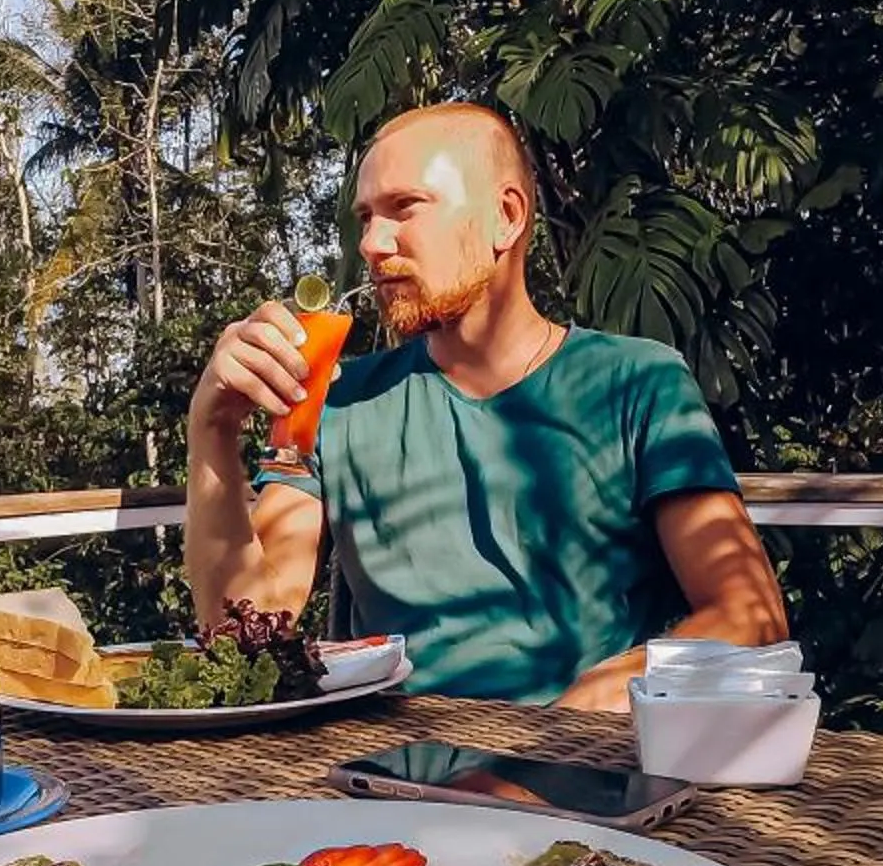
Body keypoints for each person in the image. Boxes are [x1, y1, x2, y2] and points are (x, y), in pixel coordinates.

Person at [184, 102, 788, 709]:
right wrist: (211, 431)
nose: (371, 242)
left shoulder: (635, 382)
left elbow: (748, 614)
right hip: (392, 775)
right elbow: (247, 638)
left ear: (506, 217)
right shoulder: (338, 397)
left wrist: (575, 718)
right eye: (365, 216)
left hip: (587, 770)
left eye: (405, 207)